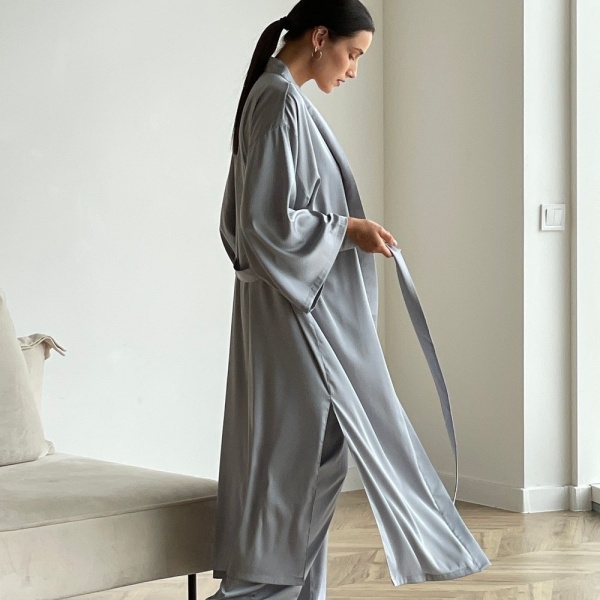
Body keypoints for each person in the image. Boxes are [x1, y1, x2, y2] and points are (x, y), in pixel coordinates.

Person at [209, 1, 491, 599]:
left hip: (293, 306)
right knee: (298, 453)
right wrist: (348, 229)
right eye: (353, 54)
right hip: (292, 314)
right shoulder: (277, 102)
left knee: (315, 450)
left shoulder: (278, 98)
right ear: (320, 38)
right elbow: (263, 225)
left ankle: (283, 589)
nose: (355, 70)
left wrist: (344, 231)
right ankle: (256, 591)